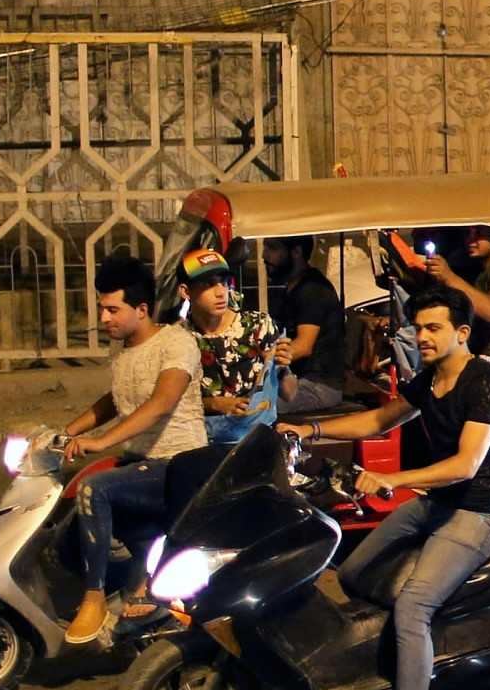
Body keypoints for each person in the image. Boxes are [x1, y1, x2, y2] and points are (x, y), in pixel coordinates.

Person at [285, 286, 490, 690]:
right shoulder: (429, 380)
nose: (422, 336)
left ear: (462, 332)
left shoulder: (486, 384)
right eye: (418, 327)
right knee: (352, 572)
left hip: (481, 511)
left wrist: (394, 479)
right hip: (438, 503)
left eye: (434, 328)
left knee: (413, 606)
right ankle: (398, 659)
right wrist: (308, 433)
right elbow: (377, 419)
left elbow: (466, 464)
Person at [56, 255, 209, 646]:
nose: (104, 318)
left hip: (179, 467)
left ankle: (94, 599)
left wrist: (101, 442)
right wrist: (67, 431)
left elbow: (161, 400)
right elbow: (116, 398)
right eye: (102, 309)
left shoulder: (176, 342)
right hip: (141, 465)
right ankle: (134, 592)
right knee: (65, 530)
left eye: (112, 309)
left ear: (141, 310)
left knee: (96, 488)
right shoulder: (123, 352)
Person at [179, 248, 285, 446]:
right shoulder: (179, 338)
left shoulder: (258, 325)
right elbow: (170, 403)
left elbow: (289, 392)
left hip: (257, 439)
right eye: (208, 285)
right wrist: (214, 404)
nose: (220, 292)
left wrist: (284, 367)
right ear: (185, 291)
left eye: (224, 283)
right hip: (201, 443)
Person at [266, 235, 350, 414]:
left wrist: (264, 360)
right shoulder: (291, 288)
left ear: (296, 252)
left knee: (255, 409)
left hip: (318, 386)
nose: (264, 255)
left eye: (272, 248)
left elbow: (304, 346)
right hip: (295, 380)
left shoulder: (312, 289)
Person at [422, 226, 490, 364]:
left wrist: (449, 277)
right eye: (468, 234)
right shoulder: (477, 269)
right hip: (473, 349)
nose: (471, 240)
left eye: (478, 234)